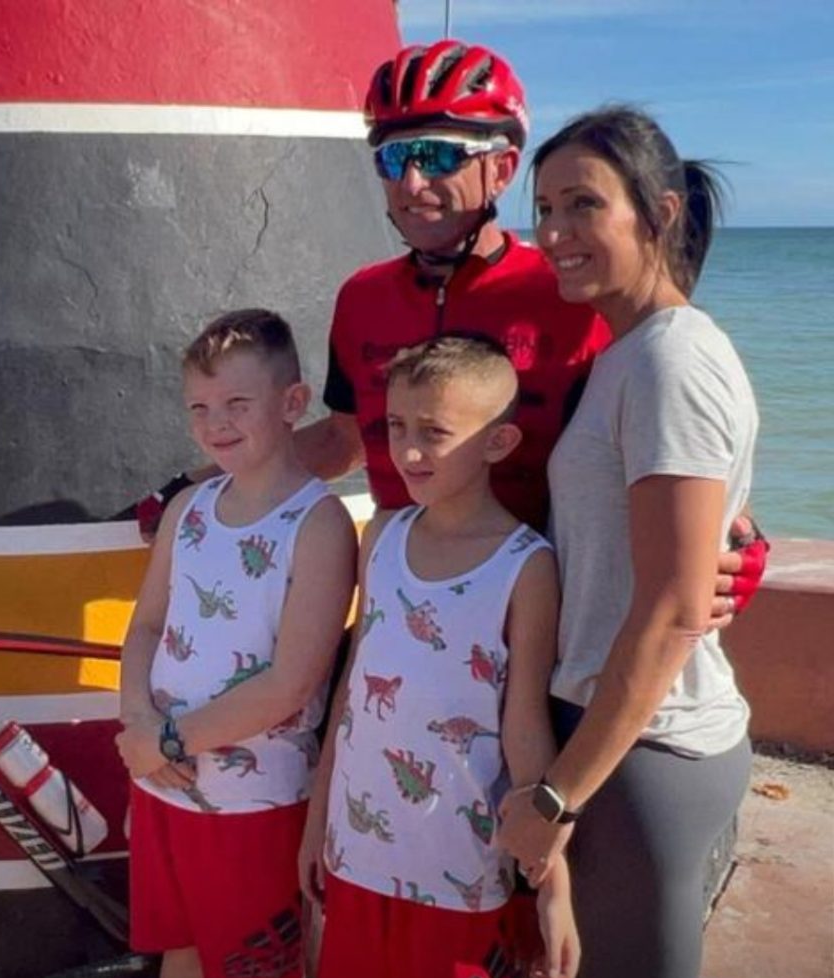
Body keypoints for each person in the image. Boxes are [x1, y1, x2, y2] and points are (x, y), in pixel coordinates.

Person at [133, 40, 767, 623]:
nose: (413, 183)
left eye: (438, 156)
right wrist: (198, 483)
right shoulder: (362, 298)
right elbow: (346, 439)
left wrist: (738, 529)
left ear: (504, 167)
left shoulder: (572, 294)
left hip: (538, 611)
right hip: (396, 604)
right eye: (393, 158)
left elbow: (666, 430)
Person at [497, 105, 758, 978]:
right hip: (616, 733)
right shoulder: (632, 355)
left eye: (583, 204)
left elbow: (675, 610)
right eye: (544, 209)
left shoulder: (669, 361)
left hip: (644, 750)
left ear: (661, 212)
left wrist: (557, 798)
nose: (554, 233)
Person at [299, 335, 580, 978]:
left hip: (461, 870)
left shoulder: (525, 566)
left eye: (434, 433)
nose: (409, 452)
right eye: (397, 427)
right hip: (356, 854)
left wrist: (554, 883)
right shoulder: (381, 536)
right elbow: (353, 693)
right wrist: (316, 822)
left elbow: (524, 727)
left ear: (498, 442)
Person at [116, 309, 357, 978]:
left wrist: (165, 740)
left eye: (236, 404)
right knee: (184, 953)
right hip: (162, 788)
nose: (215, 423)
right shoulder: (188, 509)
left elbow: (290, 683)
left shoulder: (319, 524)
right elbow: (146, 627)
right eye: (199, 407)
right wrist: (138, 723)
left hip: (256, 806)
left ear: (293, 402)